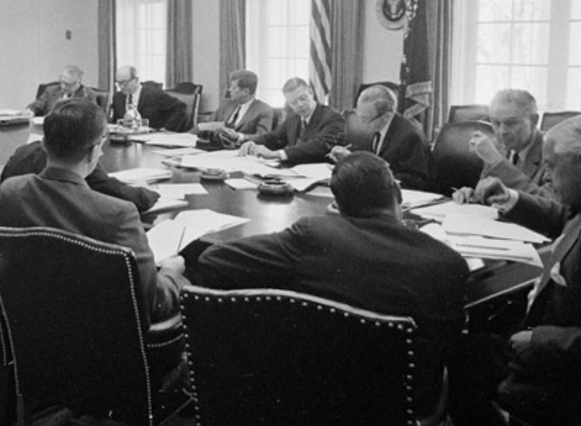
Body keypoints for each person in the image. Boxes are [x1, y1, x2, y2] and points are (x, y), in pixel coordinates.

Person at [193, 152, 469, 416]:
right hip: (398, 405)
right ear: (397, 194)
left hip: (308, 392)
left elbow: (213, 260)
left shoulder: (314, 234)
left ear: (337, 205)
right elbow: (447, 344)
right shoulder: (448, 262)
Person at [449, 115, 581, 426]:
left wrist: (539, 339)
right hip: (558, 327)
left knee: (456, 355)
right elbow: (571, 221)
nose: (545, 178)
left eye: (552, 166)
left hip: (564, 376)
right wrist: (512, 198)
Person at [0, 98, 187, 322]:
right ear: (95, 151)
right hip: (104, 335)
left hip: (31, 326)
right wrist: (172, 272)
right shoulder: (119, 214)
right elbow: (151, 302)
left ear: (44, 144)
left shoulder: (10, 192)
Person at [0, 139, 160, 212]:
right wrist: (147, 191)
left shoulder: (22, 154)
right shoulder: (78, 162)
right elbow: (136, 200)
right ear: (93, 152)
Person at [453, 89, 550, 203]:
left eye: (511, 123)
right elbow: (490, 194)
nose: (502, 131)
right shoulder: (498, 146)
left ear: (534, 121)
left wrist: (496, 162)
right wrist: (473, 196)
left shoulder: (553, 153)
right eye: (496, 123)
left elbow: (550, 205)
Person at [329, 84, 431, 190]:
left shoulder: (411, 137)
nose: (362, 124)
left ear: (386, 117)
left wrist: (371, 175)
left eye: (366, 119)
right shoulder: (378, 126)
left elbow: (416, 180)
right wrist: (351, 160)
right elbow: (375, 163)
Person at [237, 77, 343, 164]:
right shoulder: (292, 117)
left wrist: (276, 154)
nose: (300, 105)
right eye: (293, 103)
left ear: (311, 92)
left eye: (303, 98)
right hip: (294, 171)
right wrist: (253, 144)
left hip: (321, 175)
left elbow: (317, 146)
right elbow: (274, 138)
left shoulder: (332, 117)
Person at [204, 69, 274, 146]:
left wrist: (239, 136)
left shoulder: (264, 110)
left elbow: (263, 137)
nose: (229, 90)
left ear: (246, 92)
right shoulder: (226, 104)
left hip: (241, 151)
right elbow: (206, 125)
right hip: (215, 148)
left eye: (234, 88)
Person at [110, 65, 189, 132]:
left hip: (151, 139)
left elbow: (180, 108)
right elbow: (116, 122)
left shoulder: (154, 94)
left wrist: (166, 130)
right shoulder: (118, 97)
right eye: (119, 83)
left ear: (136, 80)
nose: (121, 87)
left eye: (124, 83)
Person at [24, 65, 97, 117]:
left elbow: (92, 117)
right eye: (61, 82)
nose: (62, 86)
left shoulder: (87, 95)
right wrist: (31, 111)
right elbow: (36, 105)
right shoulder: (51, 90)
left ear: (78, 83)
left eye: (67, 84)